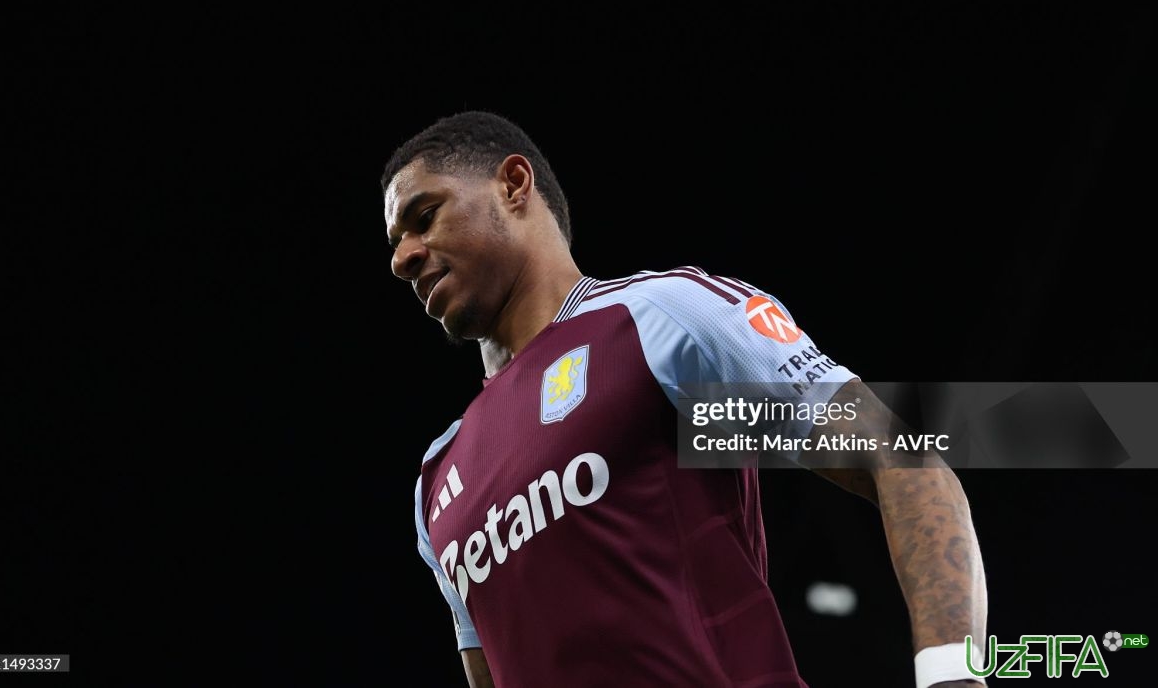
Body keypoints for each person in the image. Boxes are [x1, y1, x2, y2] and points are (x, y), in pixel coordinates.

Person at [382, 110, 988, 688]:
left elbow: (902, 460)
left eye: (425, 216)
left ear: (514, 185)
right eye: (395, 241)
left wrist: (950, 672)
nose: (402, 259)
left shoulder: (660, 321)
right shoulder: (437, 482)